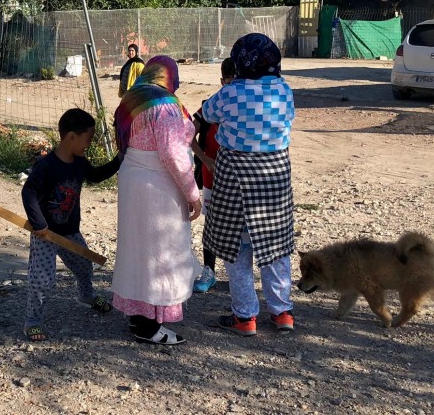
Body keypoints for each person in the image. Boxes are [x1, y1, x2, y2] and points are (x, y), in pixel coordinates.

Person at [202, 33, 296, 336]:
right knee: (276, 248)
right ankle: (282, 313)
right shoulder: (284, 90)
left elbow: (207, 114)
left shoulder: (230, 93)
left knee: (237, 249)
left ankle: (245, 318)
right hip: (275, 180)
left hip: (235, 180)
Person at [111, 55, 202, 346]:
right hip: (157, 187)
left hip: (133, 181)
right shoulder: (164, 106)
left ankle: (138, 315)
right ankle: (150, 325)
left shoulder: (131, 99)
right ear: (169, 77)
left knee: (137, 250)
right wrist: (193, 194)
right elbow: (174, 155)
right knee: (159, 252)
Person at [21, 108, 121, 342]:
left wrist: (118, 161)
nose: (89, 144)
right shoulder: (46, 166)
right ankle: (32, 321)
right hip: (46, 234)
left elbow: (95, 176)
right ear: (71, 137)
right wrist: (39, 224)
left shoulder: (79, 162)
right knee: (42, 279)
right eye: (87, 139)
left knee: (84, 267)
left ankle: (86, 296)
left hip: (70, 232)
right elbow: (29, 193)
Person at [190, 57, 237, 293]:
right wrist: (204, 159)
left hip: (240, 178)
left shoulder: (248, 106)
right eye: (230, 83)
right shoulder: (211, 106)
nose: (234, 88)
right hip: (213, 176)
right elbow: (187, 132)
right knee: (212, 224)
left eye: (238, 82)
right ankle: (209, 270)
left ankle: (238, 275)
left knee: (241, 225)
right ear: (222, 81)